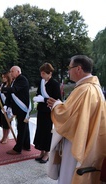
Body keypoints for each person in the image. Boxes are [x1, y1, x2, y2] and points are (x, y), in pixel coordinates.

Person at [47, 55, 106, 184]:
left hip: (76, 140)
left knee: (69, 173)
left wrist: (56, 105)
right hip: (88, 139)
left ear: (78, 69)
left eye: (70, 68)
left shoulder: (84, 89)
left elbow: (68, 116)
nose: (68, 71)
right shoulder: (95, 88)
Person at [33, 63, 61, 163]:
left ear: (49, 73)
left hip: (48, 112)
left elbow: (57, 99)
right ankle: (41, 151)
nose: (41, 75)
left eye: (43, 73)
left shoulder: (54, 84)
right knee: (40, 130)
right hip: (41, 110)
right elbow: (38, 93)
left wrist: (44, 99)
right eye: (41, 73)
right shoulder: (42, 82)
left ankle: (47, 154)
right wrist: (37, 98)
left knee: (47, 132)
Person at [2, 66, 31, 155]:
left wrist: (2, 89)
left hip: (22, 108)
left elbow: (14, 90)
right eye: (10, 71)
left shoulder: (22, 79)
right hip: (18, 108)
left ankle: (18, 149)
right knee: (24, 128)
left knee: (21, 128)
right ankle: (26, 145)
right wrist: (7, 105)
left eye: (12, 71)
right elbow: (11, 94)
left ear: (18, 71)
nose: (10, 73)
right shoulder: (16, 80)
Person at [0, 71, 12, 144]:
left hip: (8, 107)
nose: (3, 79)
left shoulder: (10, 86)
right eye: (2, 77)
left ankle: (6, 137)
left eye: (4, 77)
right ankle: (3, 136)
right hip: (2, 106)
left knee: (7, 123)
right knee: (3, 122)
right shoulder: (2, 85)